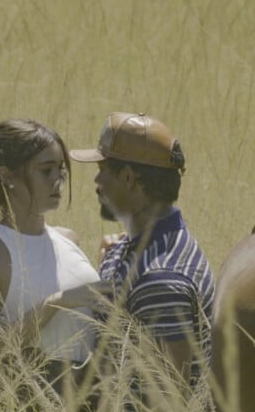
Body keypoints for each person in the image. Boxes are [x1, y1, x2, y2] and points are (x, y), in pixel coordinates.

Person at [0, 119, 108, 395]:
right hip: (25, 409)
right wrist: (55, 303)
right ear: (7, 176)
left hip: (90, 403)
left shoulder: (69, 239)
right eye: (45, 171)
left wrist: (114, 259)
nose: (57, 181)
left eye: (60, 170)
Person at [69, 112, 215, 391]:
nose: (96, 181)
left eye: (102, 169)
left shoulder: (161, 278)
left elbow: (163, 405)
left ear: (127, 177)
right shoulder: (130, 248)